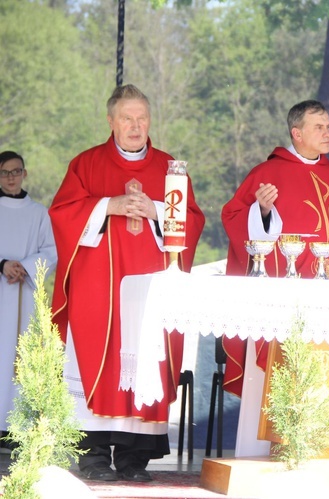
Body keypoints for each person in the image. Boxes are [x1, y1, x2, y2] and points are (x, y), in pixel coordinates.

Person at [49, 84, 205, 482]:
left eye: (142, 119)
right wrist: (108, 206)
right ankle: (95, 456)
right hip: (99, 288)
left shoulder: (171, 168)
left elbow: (192, 220)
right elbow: (62, 214)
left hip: (151, 286)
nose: (136, 126)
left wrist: (155, 210)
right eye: (127, 119)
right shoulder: (86, 165)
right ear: (111, 121)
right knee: (94, 360)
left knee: (146, 355)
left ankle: (135, 458)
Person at [221, 99, 329, 456]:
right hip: (287, 298)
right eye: (319, 127)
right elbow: (236, 220)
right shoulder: (266, 174)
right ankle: (274, 446)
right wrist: (262, 210)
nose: (328, 133)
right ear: (296, 133)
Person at [0, 151, 58, 448]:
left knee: (19, 359)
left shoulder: (39, 213)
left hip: (24, 295)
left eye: (16, 171)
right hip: (2, 292)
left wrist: (27, 264)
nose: (11, 177)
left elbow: (51, 251)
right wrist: (3, 265)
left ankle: (16, 426)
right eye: (5, 172)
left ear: (25, 173)